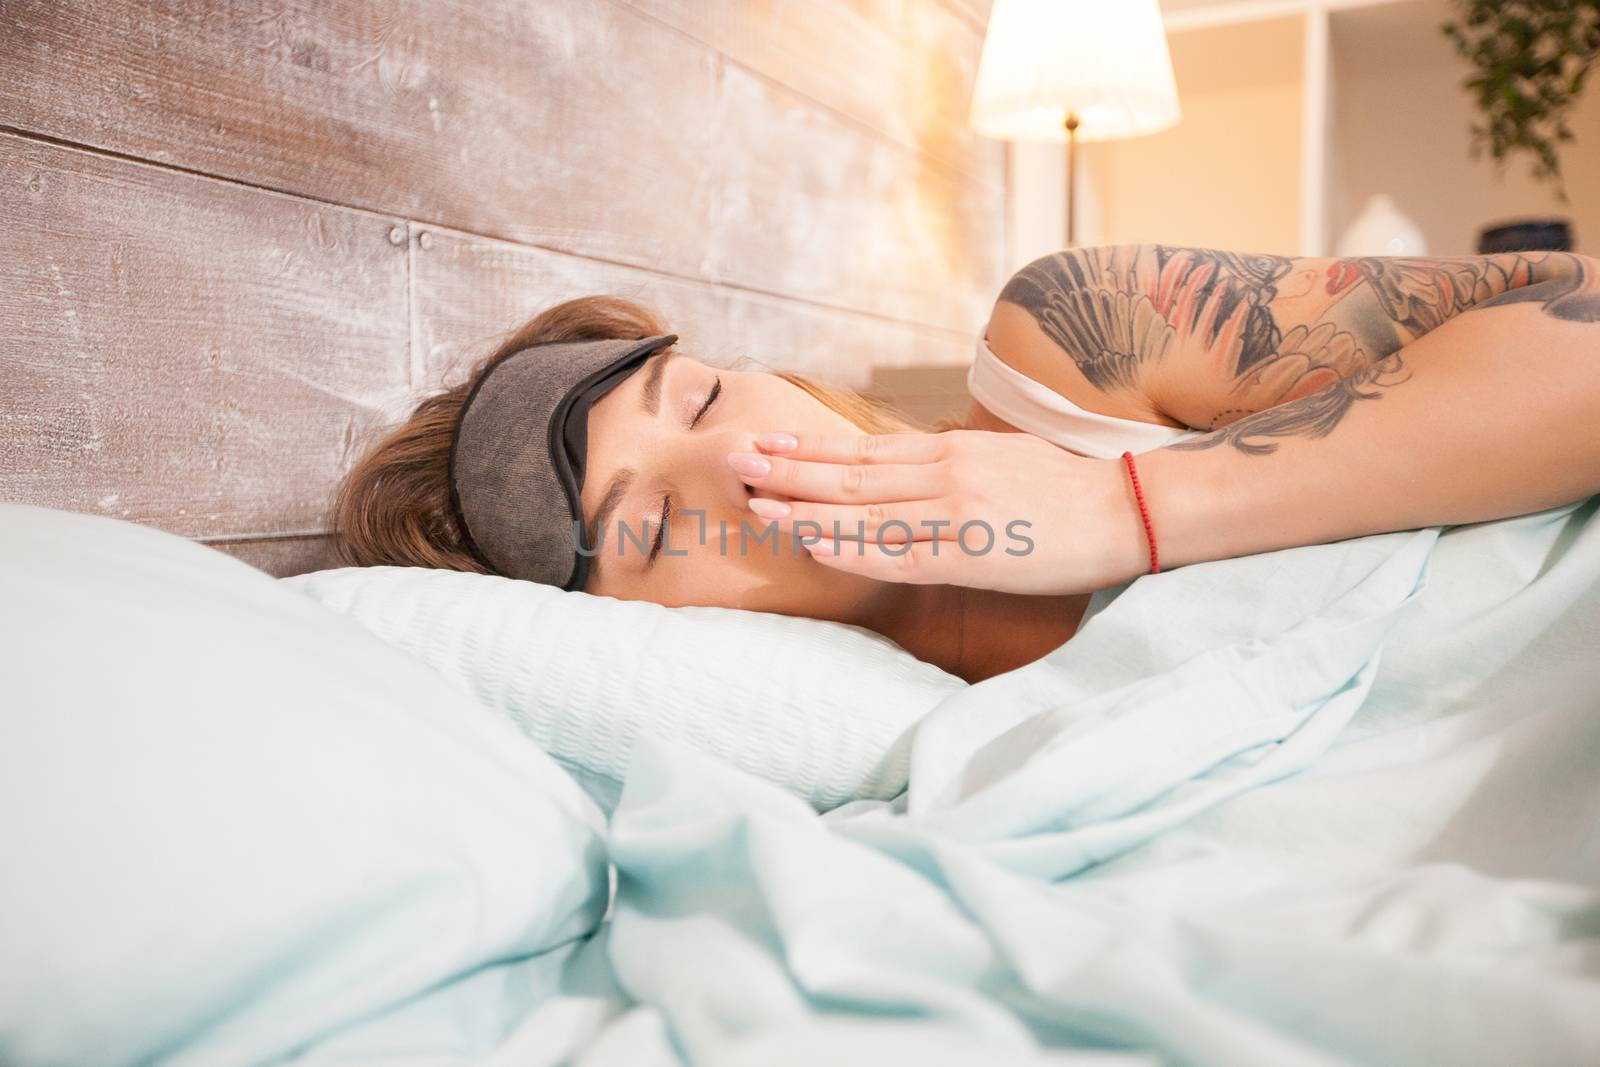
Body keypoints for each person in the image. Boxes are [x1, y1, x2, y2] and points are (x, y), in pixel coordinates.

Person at [334, 244, 1600, 684]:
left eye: (706, 392)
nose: (736, 452)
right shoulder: (891, 767)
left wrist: (1131, 504)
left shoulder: (1077, 342)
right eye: (657, 523)